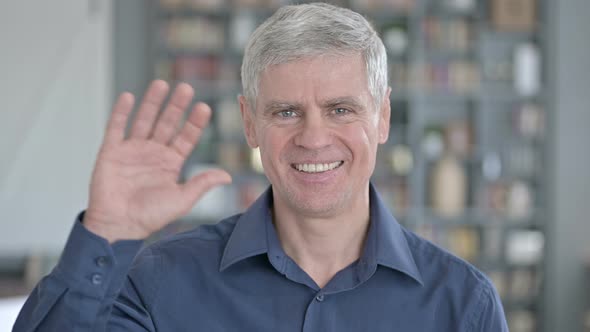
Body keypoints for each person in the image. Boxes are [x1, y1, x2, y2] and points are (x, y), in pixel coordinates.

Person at [14, 3, 508, 331]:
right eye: (286, 112)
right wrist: (104, 234)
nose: (313, 138)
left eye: (341, 109)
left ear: (383, 117)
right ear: (250, 124)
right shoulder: (160, 281)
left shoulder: (463, 305)